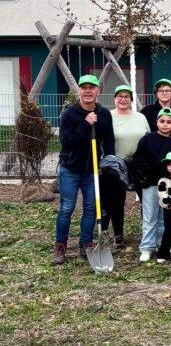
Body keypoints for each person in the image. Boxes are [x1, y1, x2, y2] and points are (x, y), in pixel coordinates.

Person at [53, 75, 115, 264]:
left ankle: (86, 244)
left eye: (92, 87)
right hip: (70, 169)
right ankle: (60, 246)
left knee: (90, 208)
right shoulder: (69, 114)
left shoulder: (104, 114)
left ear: (98, 91)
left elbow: (109, 139)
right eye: (84, 87)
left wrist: (109, 160)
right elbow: (67, 142)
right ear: (78, 91)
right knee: (66, 208)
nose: (88, 91)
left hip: (92, 171)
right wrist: (85, 124)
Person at [130, 109, 171, 262]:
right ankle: (146, 247)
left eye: (169, 122)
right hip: (151, 184)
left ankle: (161, 244)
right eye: (162, 121)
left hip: (170, 186)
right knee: (150, 217)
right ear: (156, 122)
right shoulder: (147, 139)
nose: (165, 124)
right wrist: (146, 173)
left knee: (164, 218)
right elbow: (138, 159)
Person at [104, 84, 149, 247]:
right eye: (120, 96)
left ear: (131, 99)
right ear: (114, 99)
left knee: (147, 198)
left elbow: (147, 138)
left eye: (126, 96)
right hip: (117, 164)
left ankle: (149, 233)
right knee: (116, 200)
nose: (123, 99)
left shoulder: (140, 117)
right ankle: (118, 235)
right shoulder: (108, 116)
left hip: (138, 163)